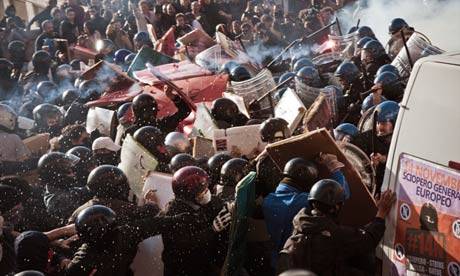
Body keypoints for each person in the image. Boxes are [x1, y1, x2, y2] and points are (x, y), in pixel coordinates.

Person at [278, 180, 396, 275]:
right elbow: (368, 240)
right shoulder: (333, 234)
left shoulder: (300, 225)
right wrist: (381, 214)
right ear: (335, 207)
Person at [263, 154, 350, 268]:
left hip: (278, 261)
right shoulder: (301, 201)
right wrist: (334, 167)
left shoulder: (268, 200)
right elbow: (341, 194)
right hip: (298, 263)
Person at [68, 165, 158, 225]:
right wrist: (151, 202)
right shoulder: (120, 207)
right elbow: (149, 213)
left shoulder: (79, 210)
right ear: (119, 188)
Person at [39, 152, 91, 225]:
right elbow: (84, 217)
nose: (74, 174)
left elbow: (84, 191)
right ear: (57, 176)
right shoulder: (58, 200)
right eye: (69, 172)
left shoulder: (60, 188)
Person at [124, 89, 191, 137]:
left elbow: (185, 111)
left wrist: (172, 96)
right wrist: (172, 96)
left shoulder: (129, 132)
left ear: (135, 112)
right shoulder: (163, 124)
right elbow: (185, 111)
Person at [256, 117, 291, 197]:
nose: (289, 133)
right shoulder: (287, 155)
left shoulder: (261, 160)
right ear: (278, 134)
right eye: (286, 130)